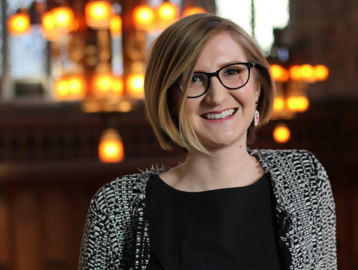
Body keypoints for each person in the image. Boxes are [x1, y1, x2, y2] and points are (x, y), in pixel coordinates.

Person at [79, 13, 337, 270]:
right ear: (169, 100)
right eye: (194, 78)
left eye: (233, 72)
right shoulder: (114, 209)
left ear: (257, 86)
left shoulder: (305, 178)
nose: (216, 96)